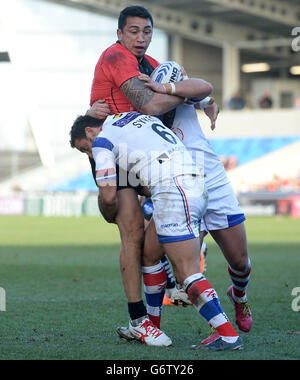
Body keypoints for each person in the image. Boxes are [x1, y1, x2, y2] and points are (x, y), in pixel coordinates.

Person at [70, 112, 243, 351]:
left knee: (186, 273)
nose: (89, 154)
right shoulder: (135, 118)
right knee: (149, 255)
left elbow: (109, 197)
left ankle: (228, 335)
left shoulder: (102, 140)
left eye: (84, 148)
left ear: (90, 131)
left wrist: (107, 209)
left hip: (174, 192)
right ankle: (151, 325)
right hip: (191, 183)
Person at [86, 6, 194, 331]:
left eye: (146, 31)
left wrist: (201, 97)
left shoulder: (152, 66)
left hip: (141, 156)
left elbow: (189, 84)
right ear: (120, 34)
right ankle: (138, 320)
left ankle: (168, 271)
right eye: (133, 31)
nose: (141, 37)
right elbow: (151, 104)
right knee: (130, 232)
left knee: (153, 226)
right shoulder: (115, 56)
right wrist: (181, 94)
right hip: (114, 154)